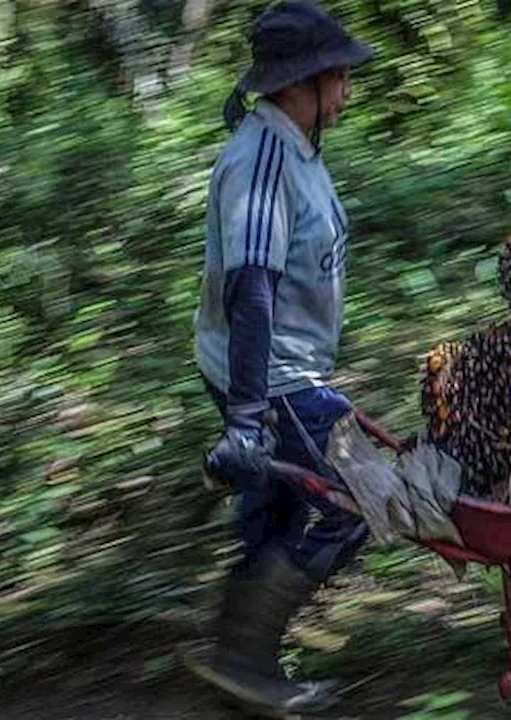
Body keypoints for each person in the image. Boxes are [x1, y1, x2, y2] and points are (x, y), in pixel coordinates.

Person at [182, 1, 375, 715]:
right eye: (337, 78)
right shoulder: (261, 161)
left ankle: (238, 662)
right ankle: (246, 657)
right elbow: (251, 288)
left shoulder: (296, 147)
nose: (346, 92)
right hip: (271, 375)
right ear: (299, 84)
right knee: (351, 501)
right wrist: (247, 416)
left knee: (277, 506)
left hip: (282, 371)